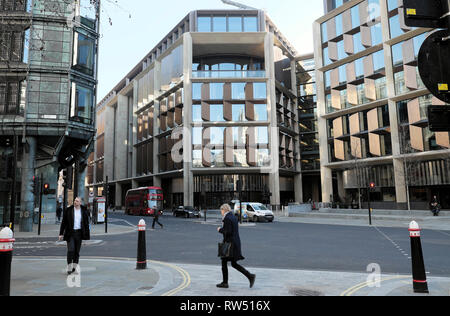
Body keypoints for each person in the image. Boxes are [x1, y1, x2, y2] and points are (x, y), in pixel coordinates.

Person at [216, 204, 255, 289]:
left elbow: (228, 231)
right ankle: (250, 276)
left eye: (221, 211)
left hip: (229, 244)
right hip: (235, 243)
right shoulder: (233, 217)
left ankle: (225, 283)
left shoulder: (227, 218)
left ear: (224, 210)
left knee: (224, 261)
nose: (221, 212)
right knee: (233, 263)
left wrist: (220, 230)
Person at [59, 197, 91, 274]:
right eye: (74, 201)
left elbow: (86, 223)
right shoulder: (69, 210)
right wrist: (61, 233)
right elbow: (64, 222)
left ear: (80, 203)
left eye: (77, 201)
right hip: (70, 233)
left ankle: (74, 266)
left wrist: (87, 235)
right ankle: (69, 267)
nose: (75, 202)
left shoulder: (84, 211)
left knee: (76, 252)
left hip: (79, 233)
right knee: (71, 250)